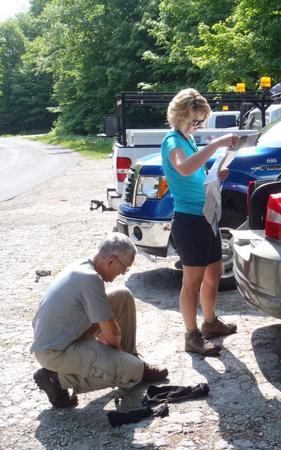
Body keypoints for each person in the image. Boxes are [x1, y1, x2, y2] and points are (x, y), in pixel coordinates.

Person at [31, 232, 168, 409]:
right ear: (111, 261)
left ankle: (131, 356)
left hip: (65, 335)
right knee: (133, 371)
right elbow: (111, 334)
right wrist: (117, 359)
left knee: (122, 295)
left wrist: (119, 354)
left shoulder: (84, 267)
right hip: (55, 352)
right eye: (124, 268)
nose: (123, 273)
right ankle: (56, 378)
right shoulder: (90, 279)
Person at [161, 88, 238, 357]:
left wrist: (217, 174)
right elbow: (183, 168)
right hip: (189, 220)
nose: (199, 125)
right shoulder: (172, 141)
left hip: (207, 217)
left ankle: (210, 323)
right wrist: (216, 145)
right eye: (195, 120)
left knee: (213, 274)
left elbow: (195, 173)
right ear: (182, 116)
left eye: (201, 121)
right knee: (191, 282)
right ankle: (191, 336)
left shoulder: (188, 139)